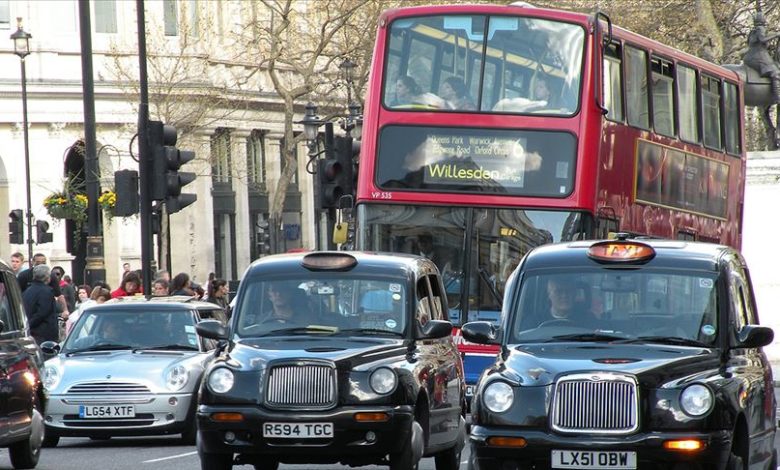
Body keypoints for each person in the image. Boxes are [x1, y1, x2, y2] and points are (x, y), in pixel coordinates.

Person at [744, 11, 780, 103]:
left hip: (749, 57)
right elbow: (762, 39)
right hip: (758, 57)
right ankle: (777, 97)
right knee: (775, 73)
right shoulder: (761, 29)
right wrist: (776, 35)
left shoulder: (753, 31)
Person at [22, 264, 58, 344]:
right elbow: (42, 313)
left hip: (31, 332)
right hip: (43, 335)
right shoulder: (47, 292)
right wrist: (30, 324)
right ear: (47, 277)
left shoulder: (26, 291)